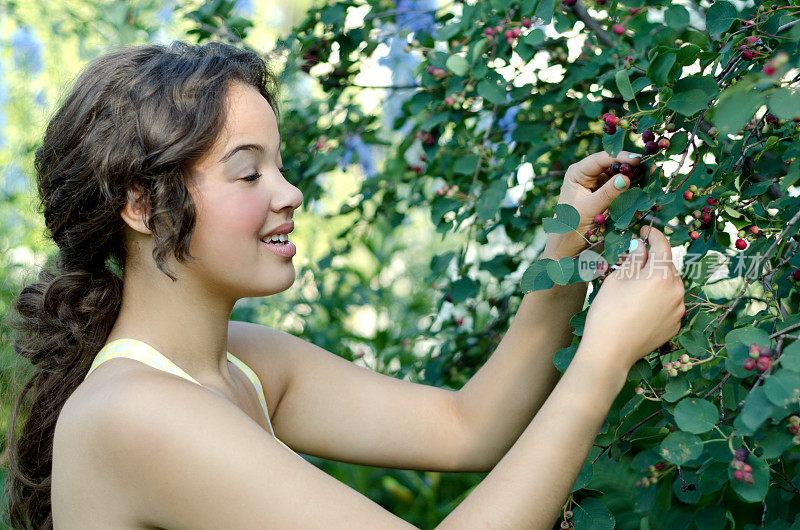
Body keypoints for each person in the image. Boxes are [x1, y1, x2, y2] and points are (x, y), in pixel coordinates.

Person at [1, 40, 685, 529]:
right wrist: (602, 361)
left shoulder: (244, 362)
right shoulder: (133, 412)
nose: (290, 192)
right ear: (141, 207)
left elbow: (466, 428)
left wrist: (564, 255)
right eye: (248, 173)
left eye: (280, 164)